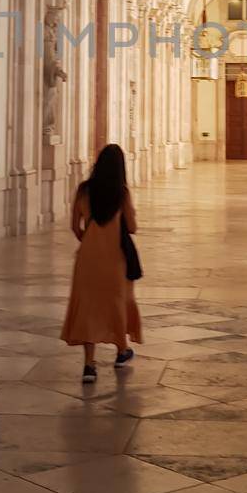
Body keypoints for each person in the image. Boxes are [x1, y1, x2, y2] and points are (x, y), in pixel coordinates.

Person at [61, 143, 143, 384]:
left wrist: (88, 239)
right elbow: (132, 227)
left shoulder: (83, 190)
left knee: (88, 306)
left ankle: (89, 365)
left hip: (88, 259)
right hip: (116, 259)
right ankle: (121, 351)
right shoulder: (121, 193)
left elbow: (75, 226)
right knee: (117, 303)